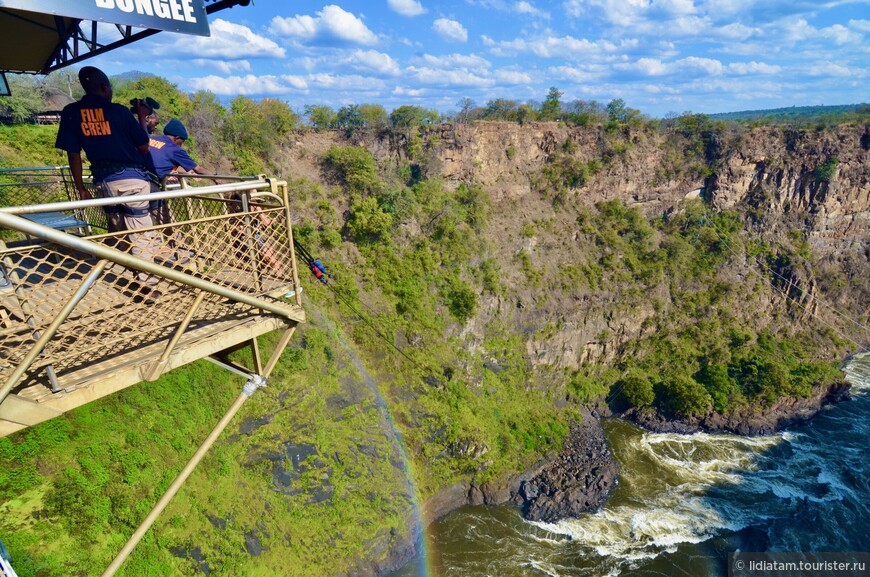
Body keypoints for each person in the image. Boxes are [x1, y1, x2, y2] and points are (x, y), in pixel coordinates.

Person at [55, 66, 164, 295]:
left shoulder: (72, 112)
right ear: (104, 87)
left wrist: (80, 187)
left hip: (103, 182)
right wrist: (141, 117)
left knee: (119, 229)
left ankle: (134, 272)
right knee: (140, 230)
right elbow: (143, 146)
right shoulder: (118, 112)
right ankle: (148, 285)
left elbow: (73, 154)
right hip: (132, 179)